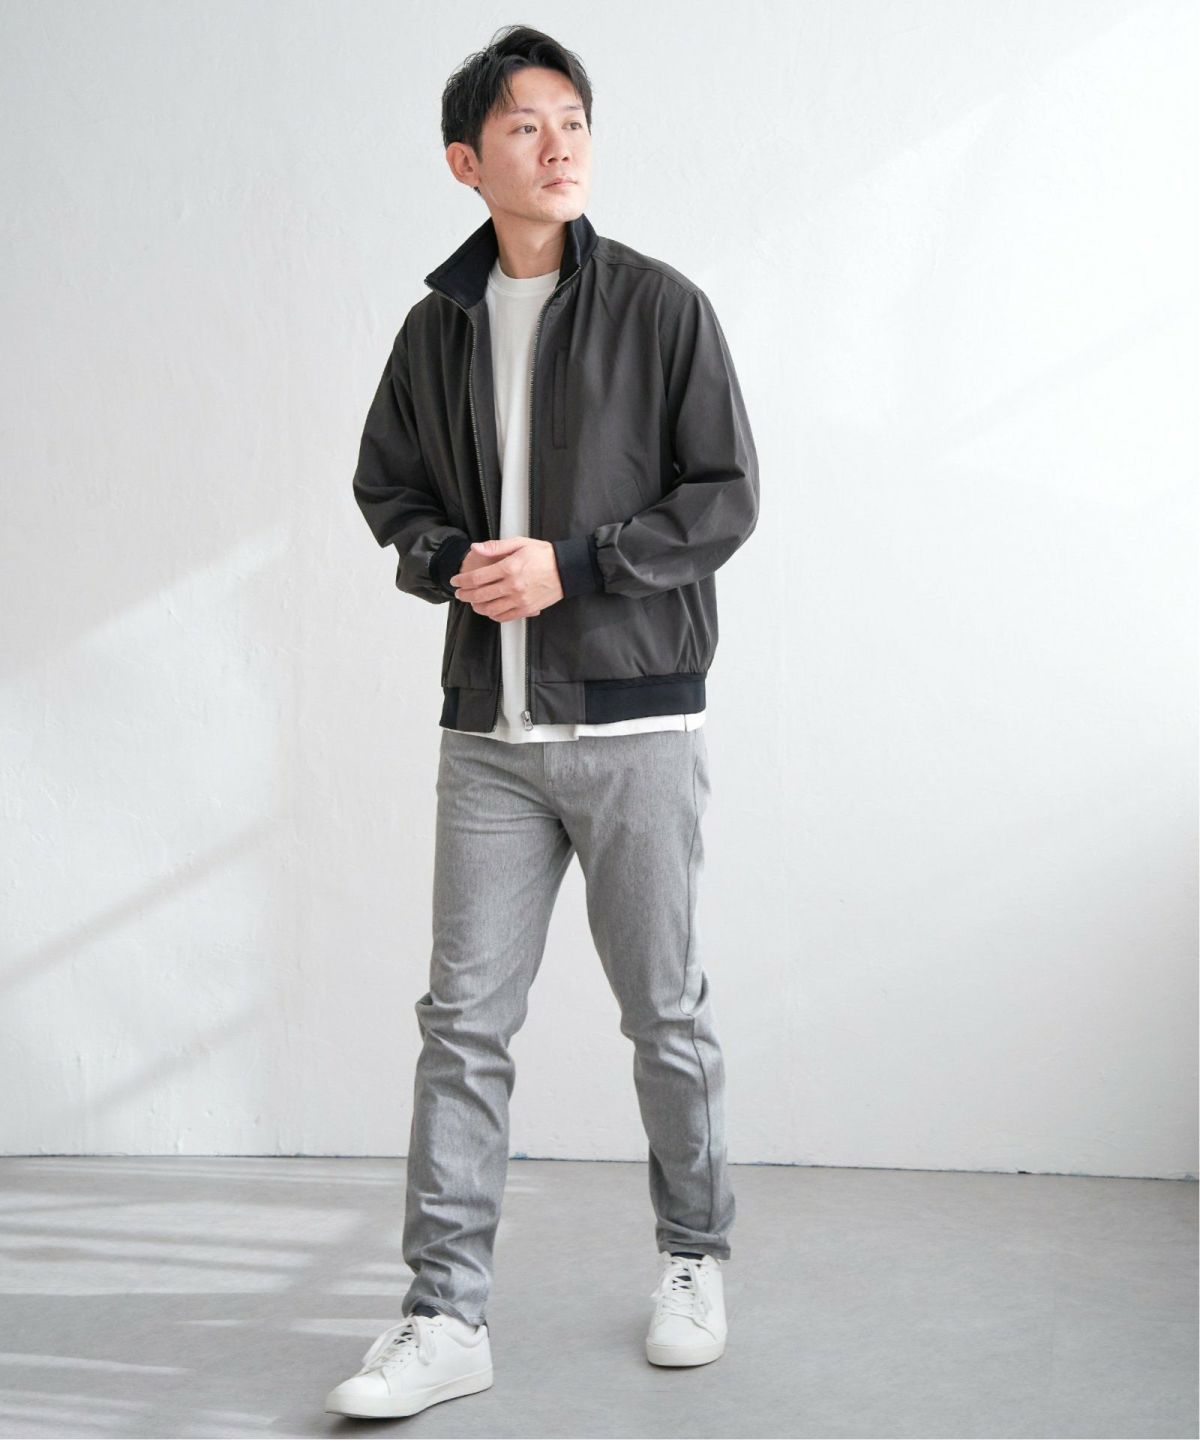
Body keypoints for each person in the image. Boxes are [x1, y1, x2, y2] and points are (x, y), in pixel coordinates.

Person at [325, 23, 760, 1421]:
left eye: (572, 120)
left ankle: (694, 1259)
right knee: (463, 1026)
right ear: (468, 161)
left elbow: (724, 497)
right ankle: (444, 1317)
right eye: (525, 125)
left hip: (637, 726)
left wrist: (576, 565)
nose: (559, 144)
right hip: (488, 739)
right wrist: (451, 560)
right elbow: (387, 488)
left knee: (664, 1011)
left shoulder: (662, 308)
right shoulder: (436, 328)